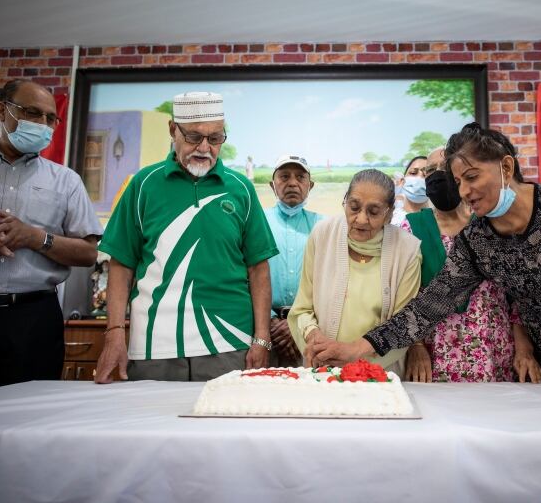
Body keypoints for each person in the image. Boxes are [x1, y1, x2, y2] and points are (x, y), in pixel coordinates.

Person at [310, 123, 541, 398]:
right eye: (458, 181)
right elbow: (430, 305)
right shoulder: (477, 240)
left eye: (472, 177)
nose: (463, 191)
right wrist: (355, 349)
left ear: (506, 166)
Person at [94, 92, 278, 383]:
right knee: (151, 426)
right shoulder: (143, 185)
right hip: (153, 344)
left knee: (227, 426)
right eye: (194, 137)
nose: (204, 148)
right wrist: (115, 334)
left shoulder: (241, 188)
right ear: (172, 130)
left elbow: (259, 268)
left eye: (215, 139)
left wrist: (261, 338)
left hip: (230, 342)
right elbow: (121, 264)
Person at [0, 79, 102, 391]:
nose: (42, 124)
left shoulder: (65, 181)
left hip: (33, 317)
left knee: (31, 411)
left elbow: (88, 253)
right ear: (3, 110)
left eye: (49, 118)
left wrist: (35, 238)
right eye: (32, 113)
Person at [400, 146, 541, 383]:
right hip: (437, 355)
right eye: (430, 171)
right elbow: (404, 298)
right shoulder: (412, 229)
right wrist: (415, 347)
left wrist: (524, 349)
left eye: (444, 168)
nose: (437, 175)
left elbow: (518, 294)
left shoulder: (492, 224)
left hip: (495, 349)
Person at [289, 169, 421, 375]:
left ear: (389, 213)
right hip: (322, 370)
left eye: (374, 212)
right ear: (345, 201)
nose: (360, 219)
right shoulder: (322, 235)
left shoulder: (407, 251)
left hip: (380, 374)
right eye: (354, 207)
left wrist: (354, 355)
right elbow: (302, 310)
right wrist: (313, 336)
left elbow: (403, 324)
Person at [263, 155, 323, 366]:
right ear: (273, 185)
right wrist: (270, 320)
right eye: (284, 176)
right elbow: (246, 275)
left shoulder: (323, 226)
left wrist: (297, 324)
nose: (292, 183)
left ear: (310, 185)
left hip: (310, 330)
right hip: (265, 329)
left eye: (300, 177)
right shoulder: (258, 222)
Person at [390, 155, 430, 225]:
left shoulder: (438, 221)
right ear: (403, 179)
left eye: (425, 175)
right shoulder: (389, 218)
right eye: (413, 173)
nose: (419, 178)